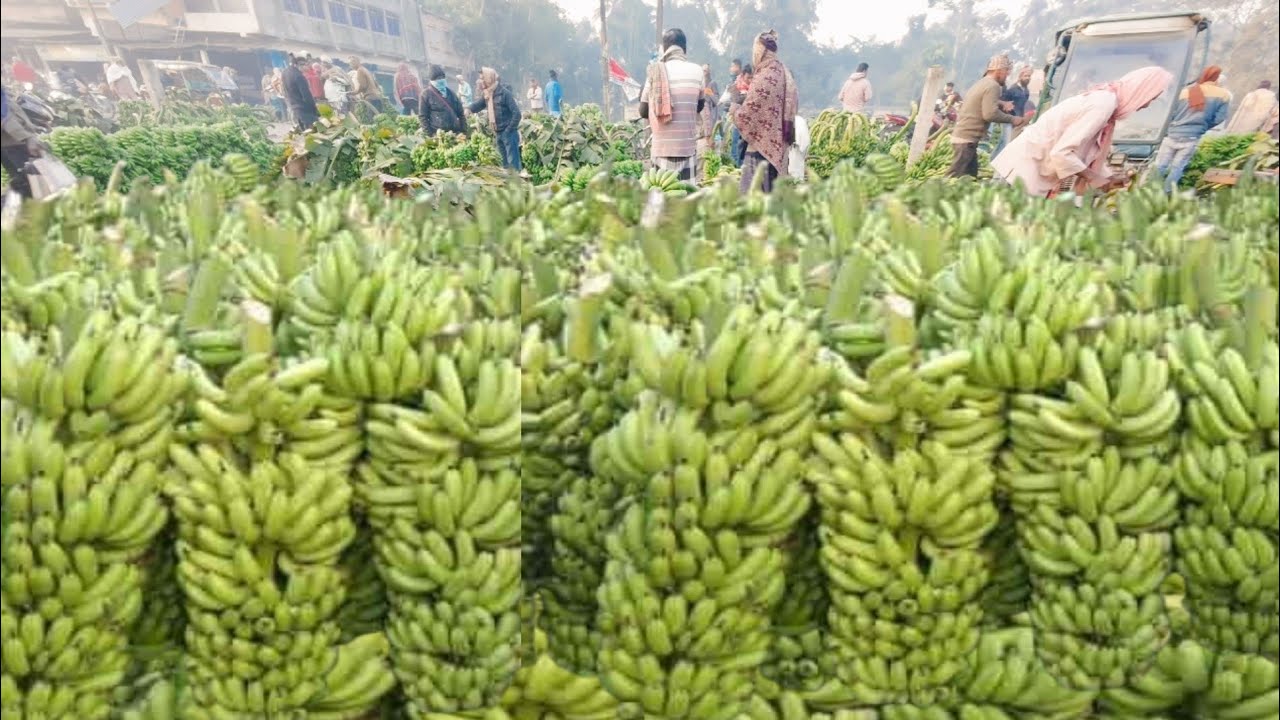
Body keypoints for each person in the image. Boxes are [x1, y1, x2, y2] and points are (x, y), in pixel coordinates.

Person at [992, 66, 1173, 197]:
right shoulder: (1103, 104)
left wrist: (1108, 177)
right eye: (1151, 98)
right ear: (1141, 91)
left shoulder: (1107, 101)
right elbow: (1062, 153)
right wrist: (1095, 179)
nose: (1147, 104)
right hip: (1022, 171)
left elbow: (1086, 150)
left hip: (1029, 169)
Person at [734, 30, 798, 194]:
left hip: (760, 148)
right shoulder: (782, 71)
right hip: (776, 148)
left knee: (753, 199)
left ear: (761, 51)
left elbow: (749, 111)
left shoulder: (765, 74)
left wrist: (735, 110)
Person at [640, 28, 706, 183]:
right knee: (686, 201)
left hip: (661, 150)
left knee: (663, 199)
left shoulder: (655, 71)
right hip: (687, 149)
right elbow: (699, 106)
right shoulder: (697, 71)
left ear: (664, 48)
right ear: (684, 48)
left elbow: (643, 111)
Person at [947, 55, 1026, 179]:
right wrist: (1013, 119)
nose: (1007, 76)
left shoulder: (982, 83)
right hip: (966, 140)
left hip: (965, 138)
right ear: (999, 71)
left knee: (970, 178)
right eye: (1006, 72)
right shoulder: (993, 86)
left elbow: (981, 101)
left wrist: (1002, 103)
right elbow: (990, 114)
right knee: (953, 178)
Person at [1153, 65, 1230, 191]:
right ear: (1217, 78)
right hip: (1192, 137)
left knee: (1160, 166)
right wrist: (1203, 126)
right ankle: (1167, 193)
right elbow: (1220, 118)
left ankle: (1150, 191)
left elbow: (1171, 113)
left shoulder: (1185, 92)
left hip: (1173, 134)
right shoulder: (1223, 95)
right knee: (1177, 168)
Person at [470, 67, 523, 171]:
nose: (481, 81)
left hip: (509, 134)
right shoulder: (488, 94)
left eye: (482, 78)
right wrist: (469, 109)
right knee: (504, 165)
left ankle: (517, 184)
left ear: (489, 79)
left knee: (513, 166)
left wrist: (508, 131)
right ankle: (509, 185)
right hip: (498, 133)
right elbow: (479, 104)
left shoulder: (504, 93)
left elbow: (517, 114)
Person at [2, 87, 44, 198]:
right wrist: (27, 138)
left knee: (26, 182)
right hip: (14, 144)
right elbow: (5, 118)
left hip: (10, 144)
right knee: (36, 183)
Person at [992, 65, 1034, 158]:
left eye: (1029, 76)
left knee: (1009, 142)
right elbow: (1002, 102)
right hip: (1009, 120)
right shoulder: (1012, 90)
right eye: (1026, 76)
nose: (1027, 78)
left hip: (1018, 120)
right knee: (1005, 141)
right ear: (1020, 76)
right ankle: (995, 159)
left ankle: (996, 159)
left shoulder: (1026, 91)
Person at [420, 65, 465, 137]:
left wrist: (463, 131)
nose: (441, 80)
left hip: (455, 134)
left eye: (442, 77)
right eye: (438, 78)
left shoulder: (451, 93)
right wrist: (430, 135)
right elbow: (423, 117)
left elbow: (461, 114)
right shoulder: (426, 94)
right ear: (432, 80)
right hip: (438, 135)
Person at [283, 55, 320, 130]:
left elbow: (285, 89)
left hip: (295, 107)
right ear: (299, 65)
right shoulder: (299, 76)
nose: (308, 67)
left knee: (304, 131)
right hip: (305, 109)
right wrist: (314, 109)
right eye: (306, 65)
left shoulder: (285, 72)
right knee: (313, 132)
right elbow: (306, 95)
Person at [728, 64, 753, 167]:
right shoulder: (735, 86)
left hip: (749, 123)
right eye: (748, 77)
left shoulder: (754, 87)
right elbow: (735, 100)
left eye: (752, 78)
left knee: (744, 149)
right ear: (743, 75)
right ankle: (736, 168)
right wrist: (747, 97)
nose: (750, 80)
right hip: (737, 122)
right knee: (736, 147)